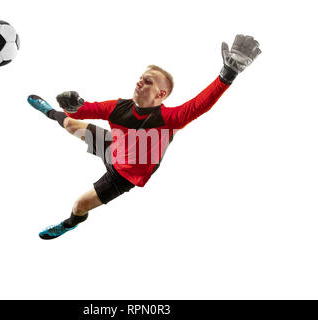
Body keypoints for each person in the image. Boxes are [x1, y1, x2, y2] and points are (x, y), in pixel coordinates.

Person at [28, 34, 261, 240]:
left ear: (161, 94)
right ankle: (48, 110)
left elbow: (200, 105)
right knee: (69, 123)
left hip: (123, 177)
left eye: (148, 81)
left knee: (79, 206)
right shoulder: (118, 107)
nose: (140, 81)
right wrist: (72, 106)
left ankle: (69, 225)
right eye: (140, 77)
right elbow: (84, 110)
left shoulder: (170, 118)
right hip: (112, 148)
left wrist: (227, 74)